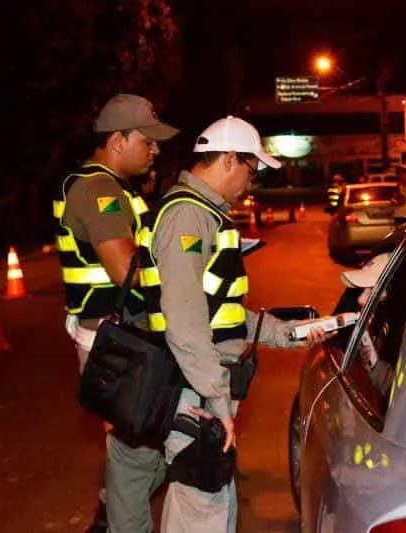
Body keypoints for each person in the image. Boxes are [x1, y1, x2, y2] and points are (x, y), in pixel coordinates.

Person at [135, 115, 330, 532]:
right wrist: (218, 401)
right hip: (194, 388)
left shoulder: (202, 213)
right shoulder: (188, 217)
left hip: (200, 385)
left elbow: (221, 313)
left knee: (206, 503)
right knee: (201, 506)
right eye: (251, 169)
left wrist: (287, 333)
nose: (251, 182)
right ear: (228, 159)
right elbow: (184, 322)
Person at [52, 93, 178, 532]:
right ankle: (116, 516)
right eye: (149, 142)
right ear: (119, 140)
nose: (156, 150)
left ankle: (112, 508)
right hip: (119, 345)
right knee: (143, 455)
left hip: (124, 340)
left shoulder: (112, 188)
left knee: (151, 449)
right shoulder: (99, 190)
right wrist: (181, 267)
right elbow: (127, 270)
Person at [336, 253, 395, 396]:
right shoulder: (374, 326)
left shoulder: (400, 337)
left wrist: (377, 367)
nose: (361, 299)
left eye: (370, 291)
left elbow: (397, 393)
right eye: (362, 291)